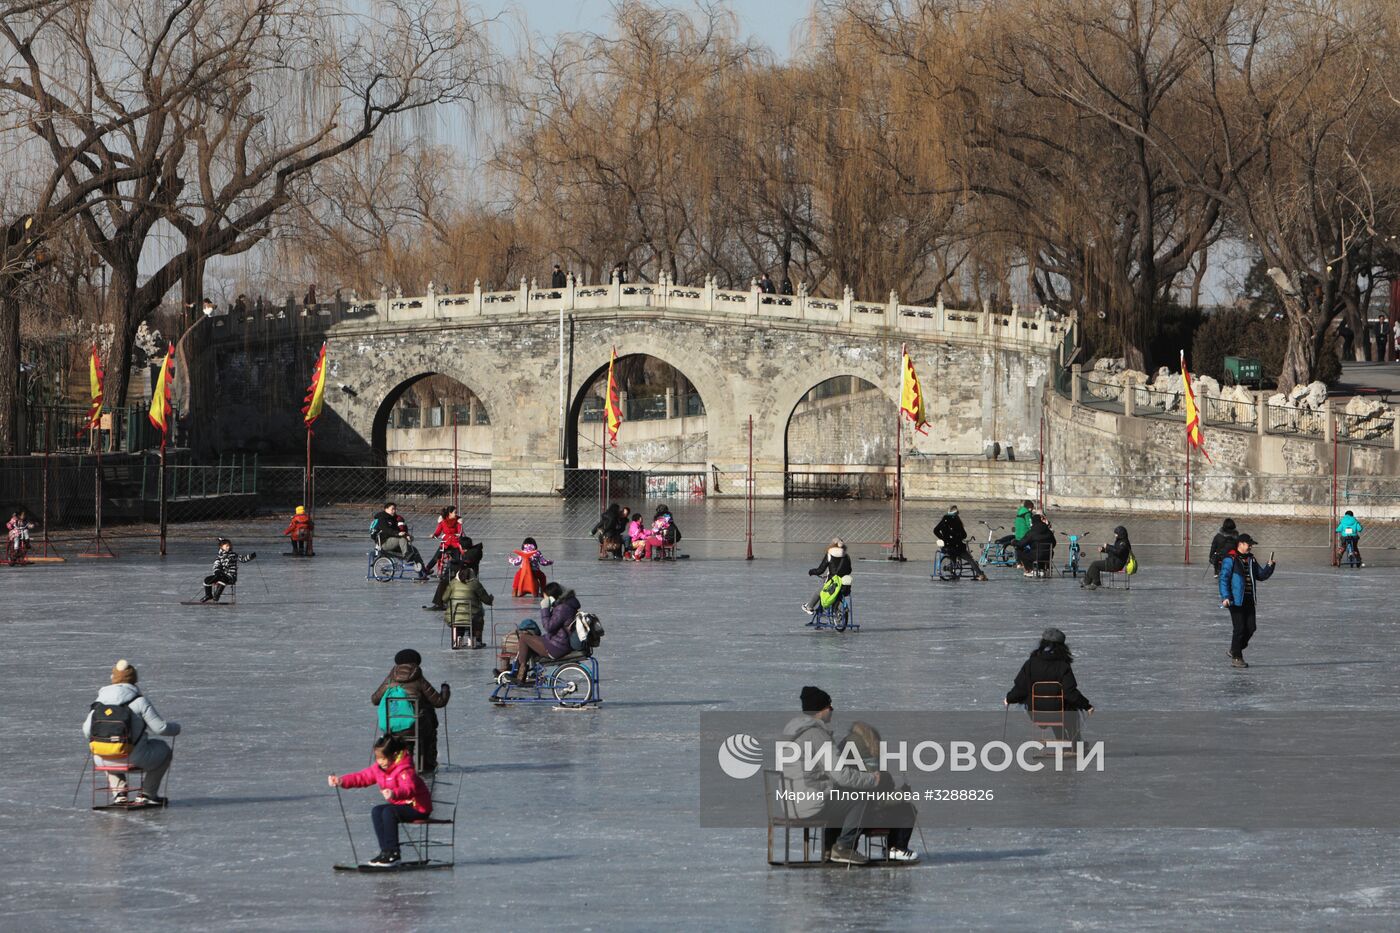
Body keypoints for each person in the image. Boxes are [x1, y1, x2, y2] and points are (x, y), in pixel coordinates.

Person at [781, 686, 877, 865]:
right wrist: (872, 780)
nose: (832, 711)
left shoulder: (791, 733)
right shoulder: (817, 735)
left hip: (789, 803)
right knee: (861, 797)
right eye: (830, 707)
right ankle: (843, 848)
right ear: (822, 710)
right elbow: (841, 774)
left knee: (840, 794)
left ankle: (828, 848)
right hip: (808, 802)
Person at [83, 659, 181, 806]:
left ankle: (119, 794)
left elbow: (86, 731)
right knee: (165, 750)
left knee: (108, 748)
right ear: (134, 679)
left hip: (102, 759)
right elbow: (161, 729)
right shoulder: (139, 701)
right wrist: (176, 728)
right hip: (135, 758)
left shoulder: (99, 702)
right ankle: (147, 794)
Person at [327, 735, 432, 868]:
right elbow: (362, 777)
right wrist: (341, 781)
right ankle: (386, 852)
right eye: (377, 758)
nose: (380, 761)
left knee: (389, 812)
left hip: (418, 807)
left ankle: (394, 853)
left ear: (394, 755)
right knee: (377, 811)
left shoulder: (405, 769)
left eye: (383, 758)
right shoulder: (379, 769)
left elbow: (409, 789)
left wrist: (394, 793)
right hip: (400, 805)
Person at [841, 721, 920, 862]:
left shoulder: (847, 766)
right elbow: (879, 801)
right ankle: (896, 847)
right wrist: (901, 794)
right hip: (864, 818)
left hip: (846, 814)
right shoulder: (870, 774)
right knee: (907, 810)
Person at [1004, 628, 1094, 746]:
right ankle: (1075, 742)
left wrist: (1009, 698)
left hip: (1036, 713)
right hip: (1060, 713)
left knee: (1052, 707)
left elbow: (1020, 688)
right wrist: (1087, 706)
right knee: (1067, 708)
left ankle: (1064, 741)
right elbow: (1070, 692)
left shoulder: (1030, 663)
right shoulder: (1063, 666)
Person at [371, 649, 450, 772]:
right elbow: (439, 702)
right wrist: (445, 689)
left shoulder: (390, 680)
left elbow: (375, 699)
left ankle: (401, 763)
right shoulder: (418, 679)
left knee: (409, 729)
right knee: (428, 722)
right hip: (415, 726)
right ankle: (426, 764)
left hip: (392, 726)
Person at [1219, 533, 1276, 668]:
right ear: (1241, 544)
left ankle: (1234, 649)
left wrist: (1269, 566)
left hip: (1249, 599)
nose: (1251, 547)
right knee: (1239, 628)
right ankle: (1237, 657)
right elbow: (1224, 579)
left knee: (1251, 627)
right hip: (1236, 600)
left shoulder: (1251, 559)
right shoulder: (1230, 558)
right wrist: (1226, 596)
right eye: (1249, 544)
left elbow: (1260, 576)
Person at [511, 582, 580, 685]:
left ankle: (520, 675)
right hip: (559, 642)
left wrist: (545, 608)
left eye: (545, 597)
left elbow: (548, 627)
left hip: (557, 647)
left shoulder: (562, 608)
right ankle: (519, 672)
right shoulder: (566, 605)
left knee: (524, 638)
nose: (543, 600)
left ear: (551, 598)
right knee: (530, 638)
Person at [426, 535, 483, 611]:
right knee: (444, 580)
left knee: (445, 582)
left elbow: (466, 563)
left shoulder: (473, 553)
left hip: (467, 575)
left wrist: (456, 562)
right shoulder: (471, 551)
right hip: (462, 573)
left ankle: (439, 603)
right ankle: (441, 603)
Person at [371, 502, 426, 578]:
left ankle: (423, 572)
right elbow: (387, 530)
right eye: (392, 509)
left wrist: (407, 536)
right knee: (401, 539)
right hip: (384, 543)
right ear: (386, 509)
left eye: (395, 509)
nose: (394, 511)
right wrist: (398, 534)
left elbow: (400, 531)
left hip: (394, 541)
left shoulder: (393, 519)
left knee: (414, 550)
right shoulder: (382, 518)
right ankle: (406, 555)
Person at [444, 565, 493, 649]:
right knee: (478, 617)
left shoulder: (452, 583)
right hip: (473, 616)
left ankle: (458, 639)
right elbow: (487, 600)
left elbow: (444, 598)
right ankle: (475, 640)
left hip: (453, 616)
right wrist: (491, 598)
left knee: (460, 618)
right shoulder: (475, 584)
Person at [934, 505, 988, 580]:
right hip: (957, 547)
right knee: (970, 560)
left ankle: (952, 573)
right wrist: (959, 536)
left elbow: (935, 530)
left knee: (953, 560)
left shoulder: (944, 520)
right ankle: (981, 575)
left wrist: (943, 538)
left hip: (947, 546)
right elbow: (964, 535)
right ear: (956, 513)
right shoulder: (957, 521)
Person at [801, 538, 852, 615]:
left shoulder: (829, 555)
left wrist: (812, 572)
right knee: (838, 593)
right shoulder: (846, 556)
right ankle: (836, 609)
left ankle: (809, 607)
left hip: (832, 581)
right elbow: (849, 570)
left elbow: (820, 570)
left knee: (820, 591)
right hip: (843, 582)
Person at [423, 506, 463, 576]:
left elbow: (460, 532)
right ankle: (426, 570)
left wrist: (458, 534)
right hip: (446, 543)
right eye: (455, 513)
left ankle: (458, 573)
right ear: (449, 513)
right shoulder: (443, 521)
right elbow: (438, 532)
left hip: (455, 543)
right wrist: (434, 535)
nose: (456, 514)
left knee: (457, 559)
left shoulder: (458, 521)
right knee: (436, 557)